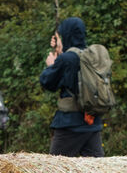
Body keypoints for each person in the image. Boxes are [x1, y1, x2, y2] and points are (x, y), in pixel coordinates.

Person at [40, 17, 104, 157]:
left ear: (67, 35)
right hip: (92, 122)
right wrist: (61, 52)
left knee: (54, 167)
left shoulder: (66, 59)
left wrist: (51, 65)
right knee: (95, 168)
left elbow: (47, 82)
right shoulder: (92, 56)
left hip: (70, 124)